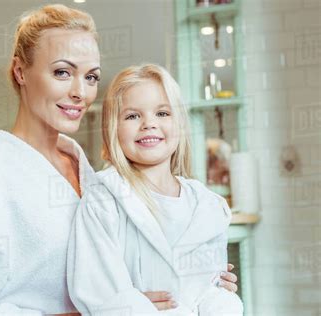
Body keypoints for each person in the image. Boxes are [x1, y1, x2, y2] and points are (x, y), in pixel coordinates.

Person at [0, 5, 238, 315]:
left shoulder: (91, 176)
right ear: (20, 71)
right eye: (62, 72)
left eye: (91, 77)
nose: (80, 92)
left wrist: (199, 282)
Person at [67, 64, 243, 315]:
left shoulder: (207, 205)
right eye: (132, 116)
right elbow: (96, 292)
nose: (149, 124)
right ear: (113, 129)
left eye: (162, 113)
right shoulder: (103, 201)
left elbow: (211, 286)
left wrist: (220, 298)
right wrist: (131, 305)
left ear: (179, 123)